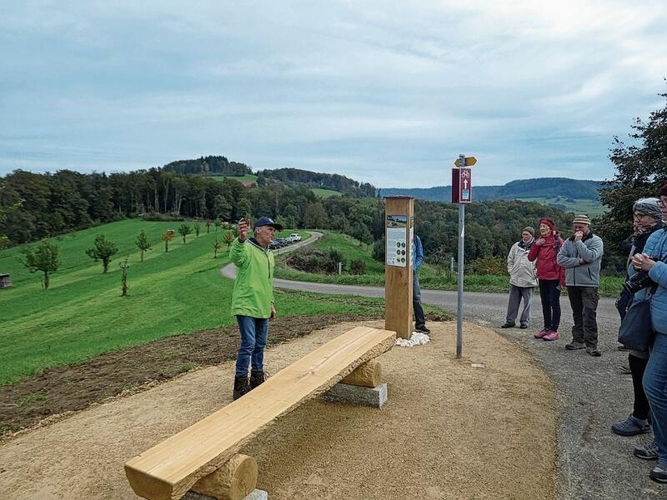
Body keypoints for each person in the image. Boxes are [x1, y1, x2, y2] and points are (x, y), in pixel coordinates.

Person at [612, 198, 664, 438]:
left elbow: (649, 271)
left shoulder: (654, 237)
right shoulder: (644, 238)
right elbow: (635, 270)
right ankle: (643, 417)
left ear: (654, 216)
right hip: (641, 304)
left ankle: (643, 418)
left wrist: (645, 266)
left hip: (650, 308)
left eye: (642, 215)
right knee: (638, 360)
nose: (636, 220)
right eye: (636, 215)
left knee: (646, 367)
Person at [631, 183, 667, 483]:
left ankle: (666, 453)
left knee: (653, 386)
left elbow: (655, 270)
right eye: (663, 201)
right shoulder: (658, 235)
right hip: (656, 321)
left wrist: (652, 267)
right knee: (653, 386)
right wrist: (640, 264)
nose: (663, 206)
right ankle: (660, 443)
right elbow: (639, 272)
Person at [230, 216, 282, 400]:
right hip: (246, 304)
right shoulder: (247, 248)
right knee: (249, 344)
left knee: (260, 345)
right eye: (269, 229)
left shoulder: (269, 254)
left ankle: (257, 378)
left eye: (274, 230)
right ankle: (240, 384)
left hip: (262, 305)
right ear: (258, 230)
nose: (272, 232)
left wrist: (271, 303)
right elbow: (235, 257)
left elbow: (267, 282)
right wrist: (241, 238)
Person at [557, 215, 604, 356]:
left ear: (587, 227)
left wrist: (579, 242)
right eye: (575, 227)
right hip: (572, 282)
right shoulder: (567, 241)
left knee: (589, 312)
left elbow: (590, 256)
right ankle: (578, 340)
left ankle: (591, 344)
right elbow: (560, 259)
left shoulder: (596, 241)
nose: (577, 229)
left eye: (581, 227)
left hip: (589, 283)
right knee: (577, 312)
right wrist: (578, 261)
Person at [528, 218, 564, 341]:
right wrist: (535, 245)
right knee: (545, 303)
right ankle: (547, 328)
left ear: (550, 228)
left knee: (554, 303)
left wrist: (562, 280)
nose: (542, 228)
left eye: (545, 226)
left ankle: (554, 330)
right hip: (542, 276)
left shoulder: (558, 241)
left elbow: (563, 261)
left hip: (554, 277)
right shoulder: (539, 241)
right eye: (541, 226)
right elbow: (531, 258)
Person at [501, 227, 537, 329]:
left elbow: (539, 262)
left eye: (527, 234)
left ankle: (524, 321)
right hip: (515, 278)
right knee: (512, 302)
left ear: (532, 235)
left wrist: (535, 274)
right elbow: (510, 259)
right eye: (523, 234)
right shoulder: (516, 246)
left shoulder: (536, 247)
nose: (524, 237)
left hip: (529, 279)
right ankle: (510, 321)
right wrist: (511, 271)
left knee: (527, 303)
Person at [413, 234, 429, 334]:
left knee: (416, 297)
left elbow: (420, 256)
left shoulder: (415, 238)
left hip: (412, 274)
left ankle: (420, 324)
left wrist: (414, 267)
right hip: (397, 274)